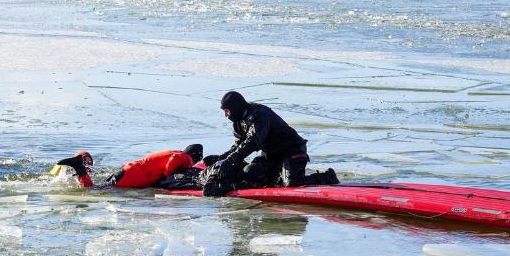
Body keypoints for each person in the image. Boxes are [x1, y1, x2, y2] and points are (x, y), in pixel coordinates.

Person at [203, 91, 338, 193]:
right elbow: (239, 145)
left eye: (227, 111)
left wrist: (231, 159)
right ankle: (278, 177)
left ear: (236, 107)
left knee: (291, 184)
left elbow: (253, 141)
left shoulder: (259, 114)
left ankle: (327, 177)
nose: (226, 116)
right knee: (251, 173)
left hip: (292, 150)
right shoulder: (238, 122)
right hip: (272, 154)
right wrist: (222, 157)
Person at [57, 144, 204, 189]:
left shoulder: (174, 151)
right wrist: (167, 174)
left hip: (129, 170)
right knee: (94, 190)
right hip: (133, 176)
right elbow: (174, 161)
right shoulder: (184, 157)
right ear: (196, 156)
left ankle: (81, 162)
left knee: (101, 186)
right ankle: (79, 167)